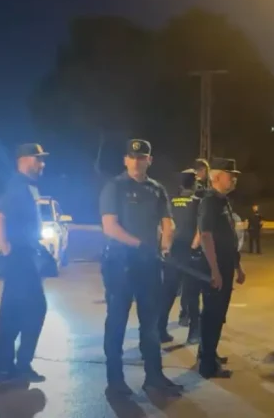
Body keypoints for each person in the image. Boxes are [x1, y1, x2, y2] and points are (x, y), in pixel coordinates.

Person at [99, 139, 182, 396]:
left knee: (151, 324)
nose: (137, 161)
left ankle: (154, 377)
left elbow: (168, 222)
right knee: (117, 322)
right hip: (119, 264)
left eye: (142, 157)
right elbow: (110, 227)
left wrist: (165, 246)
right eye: (132, 157)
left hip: (148, 265)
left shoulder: (156, 189)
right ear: (126, 160)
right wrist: (139, 245)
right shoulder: (115, 186)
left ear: (149, 160)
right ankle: (115, 381)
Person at [0, 144, 50, 385]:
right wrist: (7, 249)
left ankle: (12, 367)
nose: (42, 164)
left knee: (22, 311)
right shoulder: (16, 185)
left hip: (27, 256)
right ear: (24, 160)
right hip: (19, 258)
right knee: (24, 311)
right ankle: (10, 367)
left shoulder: (29, 186)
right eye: (38, 159)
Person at [194, 158, 245, 378]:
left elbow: (229, 237)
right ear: (216, 177)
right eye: (230, 175)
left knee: (217, 314)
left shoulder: (223, 201)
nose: (234, 179)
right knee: (212, 315)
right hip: (213, 266)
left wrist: (238, 266)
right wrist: (214, 270)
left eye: (235, 176)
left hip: (225, 265)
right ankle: (208, 366)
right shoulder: (209, 202)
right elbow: (206, 236)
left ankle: (208, 353)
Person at [158, 169, 202, 345]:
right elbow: (201, 229)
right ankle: (194, 333)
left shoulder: (170, 201)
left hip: (172, 252)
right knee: (192, 294)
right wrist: (194, 248)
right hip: (190, 253)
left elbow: (165, 227)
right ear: (195, 183)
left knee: (168, 293)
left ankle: (160, 330)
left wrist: (165, 248)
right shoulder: (198, 202)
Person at [178, 158, 210, 327]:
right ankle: (190, 315)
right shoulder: (199, 195)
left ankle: (186, 314)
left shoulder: (177, 194)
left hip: (182, 244)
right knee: (193, 283)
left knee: (187, 283)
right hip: (194, 245)